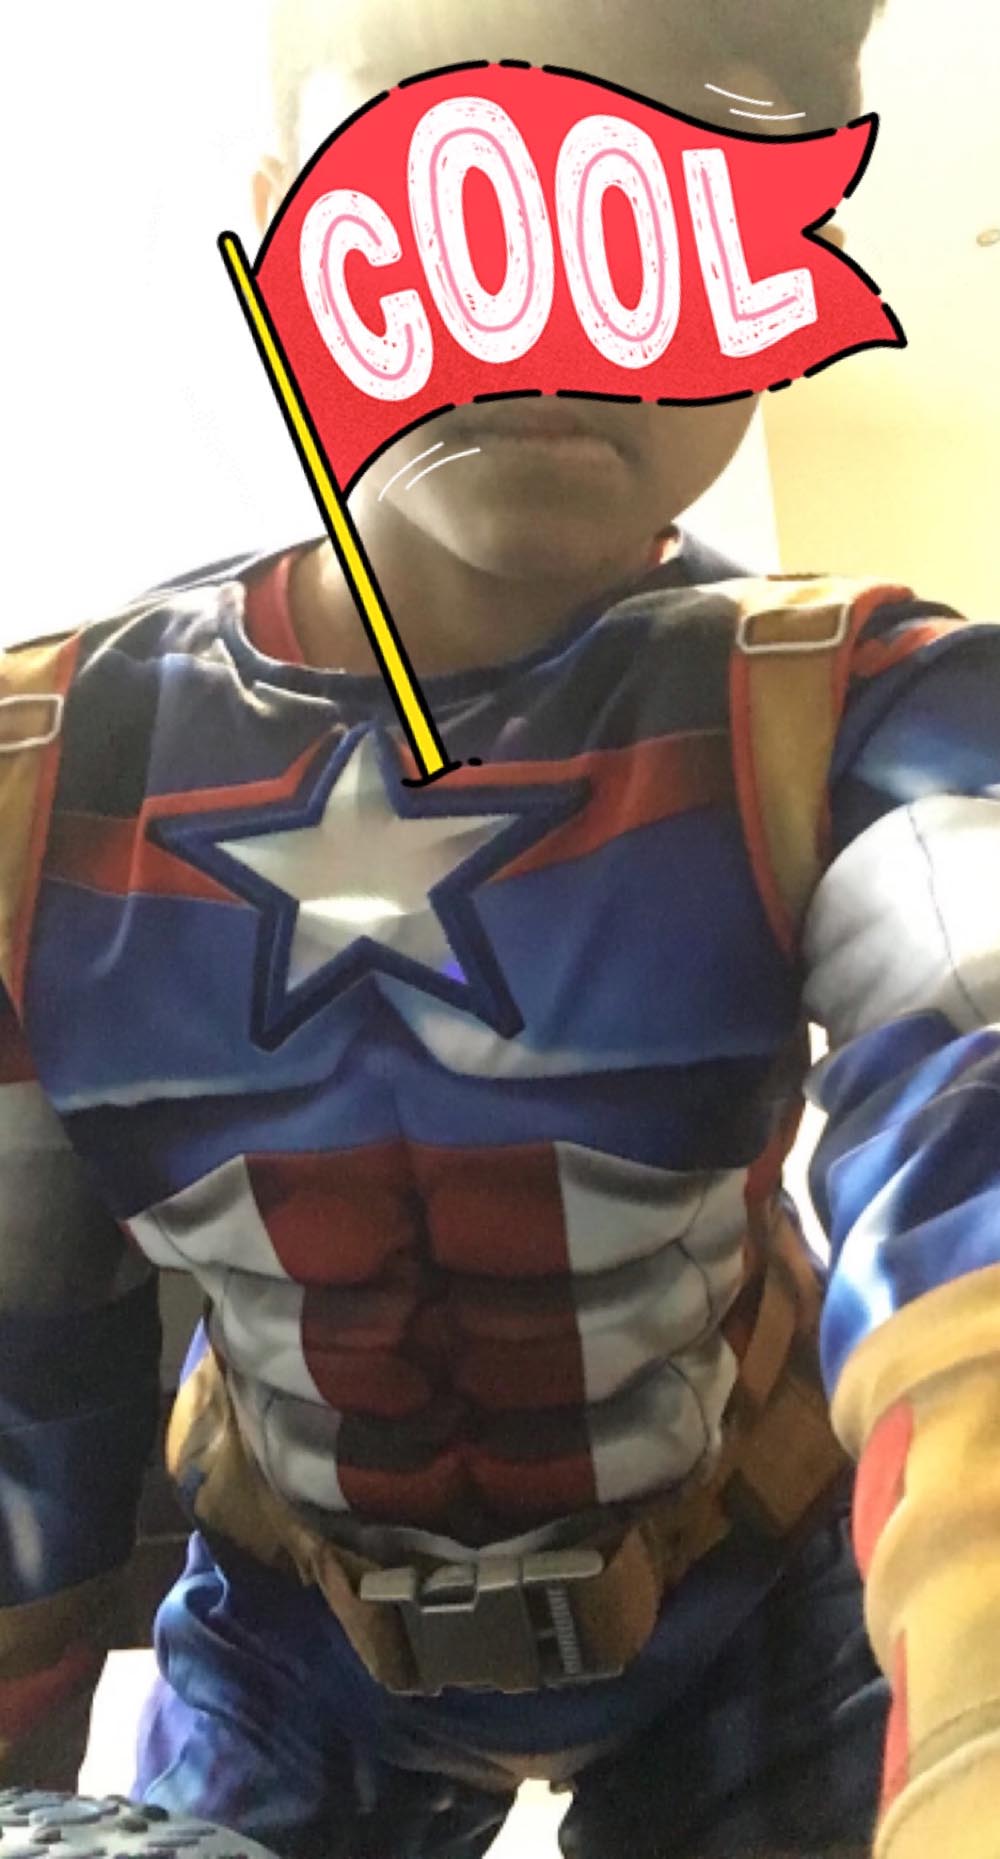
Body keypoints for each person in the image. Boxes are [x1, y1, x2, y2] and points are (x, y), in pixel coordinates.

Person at [2, 2, 998, 1855]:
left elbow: (980, 1182)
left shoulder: (862, 709)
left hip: (759, 1618)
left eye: (664, 187)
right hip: (288, 1647)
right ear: (280, 220)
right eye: (452, 167)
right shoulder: (39, 784)